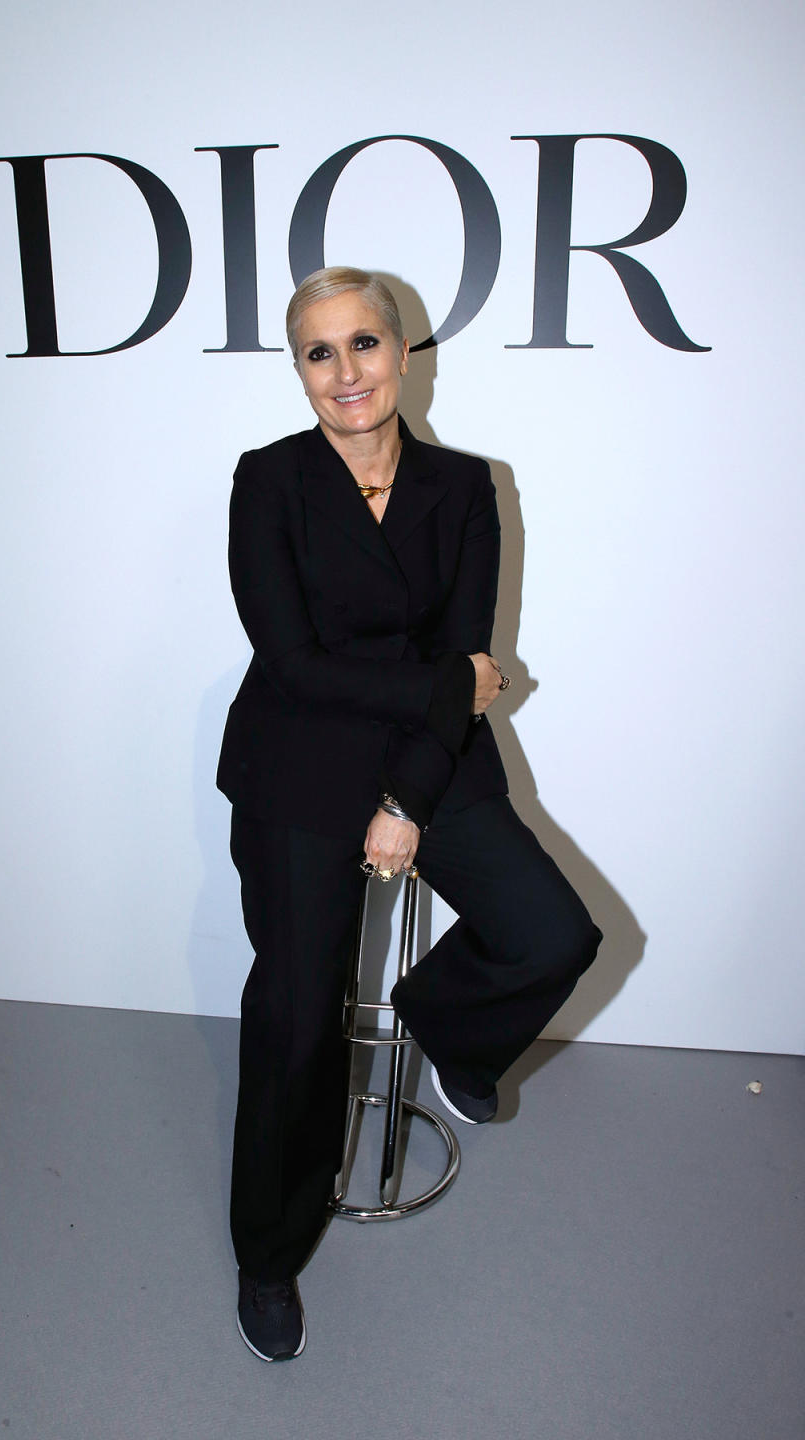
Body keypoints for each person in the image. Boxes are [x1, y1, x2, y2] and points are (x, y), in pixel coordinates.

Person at [217, 266, 602, 1362]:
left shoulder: (467, 486)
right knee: (296, 1021)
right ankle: (268, 1255)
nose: (346, 372)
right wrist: (445, 684)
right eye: (319, 352)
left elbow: (470, 664)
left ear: (402, 350)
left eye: (364, 344)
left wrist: (411, 801)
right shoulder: (267, 482)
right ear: (300, 370)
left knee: (551, 933)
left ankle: (449, 1023)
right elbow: (293, 662)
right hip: (299, 761)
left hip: (432, 760)